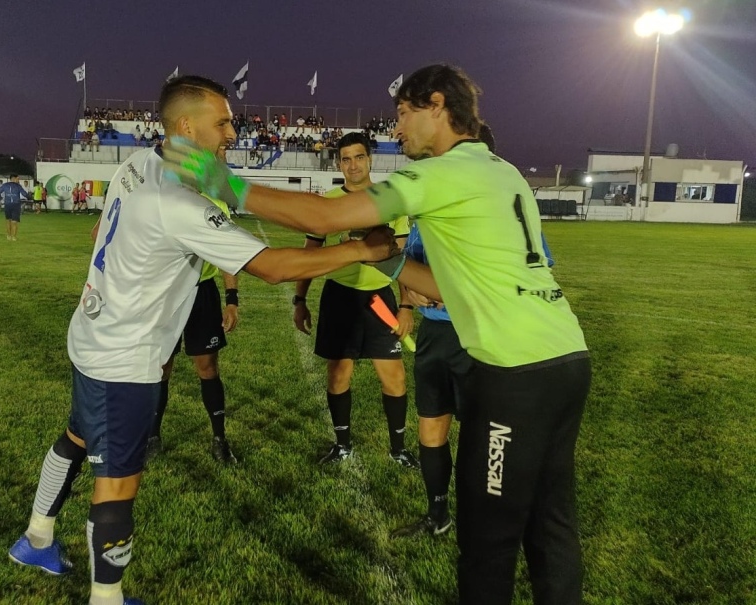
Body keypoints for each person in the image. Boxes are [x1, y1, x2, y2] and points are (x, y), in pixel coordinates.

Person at [164, 63, 592, 605]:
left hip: (515, 377)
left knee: (488, 540)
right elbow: (448, 287)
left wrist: (219, 181)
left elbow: (325, 215)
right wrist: (383, 262)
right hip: (565, 359)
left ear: (437, 105)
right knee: (552, 524)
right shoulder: (502, 172)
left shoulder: (441, 173)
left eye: (403, 114)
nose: (397, 130)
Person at [7, 75, 397, 605]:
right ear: (187, 127)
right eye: (223, 122)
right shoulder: (177, 202)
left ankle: (36, 538)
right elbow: (275, 267)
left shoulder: (137, 163)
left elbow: (104, 232)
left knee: (77, 436)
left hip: (93, 335)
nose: (234, 131)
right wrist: (360, 252)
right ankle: (105, 597)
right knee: (118, 482)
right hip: (125, 357)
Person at [392, 123, 557, 538]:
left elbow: (535, 268)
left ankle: (487, 520)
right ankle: (438, 515)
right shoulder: (429, 209)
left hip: (481, 338)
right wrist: (412, 298)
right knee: (431, 427)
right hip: (435, 336)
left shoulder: (499, 204)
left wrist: (468, 293)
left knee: (484, 437)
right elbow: (411, 264)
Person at [293, 132, 417, 468]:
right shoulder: (329, 203)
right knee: (338, 375)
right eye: (346, 159)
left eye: (359, 157)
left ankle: (398, 448)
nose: (353, 165)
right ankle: (342, 445)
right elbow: (309, 255)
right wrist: (299, 300)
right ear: (338, 163)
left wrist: (406, 306)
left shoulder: (391, 201)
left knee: (394, 377)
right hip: (340, 299)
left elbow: (404, 260)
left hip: (380, 300)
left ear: (370, 159)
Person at [0, 175, 28, 241]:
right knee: (14, 221)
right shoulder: (18, 186)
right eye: (18, 179)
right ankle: (14, 237)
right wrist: (29, 197)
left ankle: (8, 236)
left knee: (8, 220)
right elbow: (25, 194)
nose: (18, 180)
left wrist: (4, 196)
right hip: (16, 205)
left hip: (7, 204)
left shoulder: (5, 185)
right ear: (14, 179)